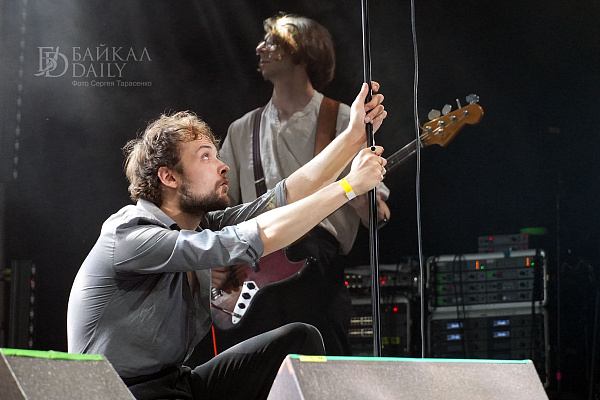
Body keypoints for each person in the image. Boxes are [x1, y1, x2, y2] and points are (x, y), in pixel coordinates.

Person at [66, 82, 387, 400]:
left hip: (175, 384)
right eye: (205, 157)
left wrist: (353, 136)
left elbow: (284, 198)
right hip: (120, 393)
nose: (223, 167)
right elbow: (262, 234)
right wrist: (348, 188)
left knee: (298, 340)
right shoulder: (130, 235)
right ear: (169, 176)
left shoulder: (198, 226)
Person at [216, 13, 390, 356]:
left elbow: (378, 216)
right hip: (254, 272)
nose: (260, 48)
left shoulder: (345, 119)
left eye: (273, 43)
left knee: (323, 375)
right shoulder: (242, 129)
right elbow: (220, 208)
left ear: (303, 53)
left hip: (319, 274)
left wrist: (361, 198)